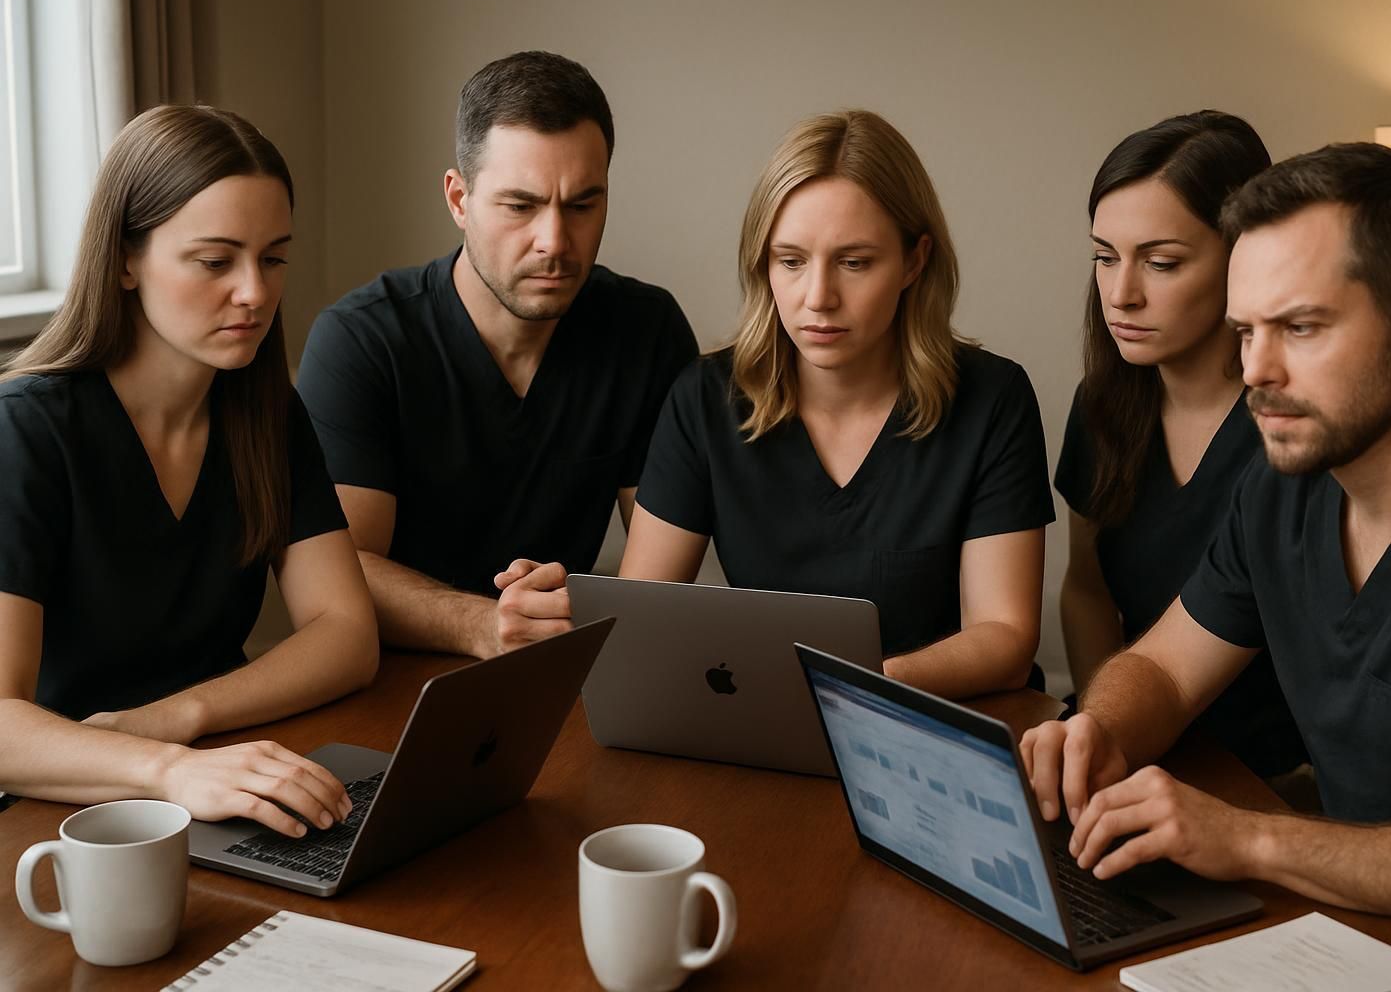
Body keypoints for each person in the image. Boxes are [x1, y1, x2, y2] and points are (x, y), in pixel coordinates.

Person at [1020, 142, 1391, 990]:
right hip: (1354, 940)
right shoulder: (1279, 487)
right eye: (1245, 332)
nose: (1256, 373)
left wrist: (1247, 837)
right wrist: (1099, 733)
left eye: (1300, 328)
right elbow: (1164, 667)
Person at [0, 105, 377, 838]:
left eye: (272, 258)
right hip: (68, 816)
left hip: (219, 776)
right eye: (215, 261)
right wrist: (166, 765)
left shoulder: (267, 413)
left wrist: (181, 716)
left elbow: (346, 634)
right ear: (125, 260)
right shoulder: (25, 431)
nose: (255, 292)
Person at [619, 109, 1054, 700]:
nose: (818, 297)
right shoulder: (704, 399)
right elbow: (642, 618)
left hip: (933, 722)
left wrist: (849, 687)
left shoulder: (992, 400)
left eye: (855, 263)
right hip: (769, 714)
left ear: (915, 261)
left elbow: (1004, 639)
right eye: (791, 261)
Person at [296, 51, 697, 659]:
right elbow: (341, 573)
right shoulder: (362, 340)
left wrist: (569, 613)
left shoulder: (646, 331)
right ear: (459, 199)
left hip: (562, 665)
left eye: (583, 205)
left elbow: (654, 579)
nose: (555, 242)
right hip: (386, 676)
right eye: (521, 205)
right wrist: (482, 624)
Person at [1055, 110, 1305, 778]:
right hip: (1135, 748)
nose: (1121, 294)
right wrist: (1100, 732)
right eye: (1105, 258)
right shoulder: (1102, 405)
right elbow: (1085, 590)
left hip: (1276, 776)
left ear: (1241, 255)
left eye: (1161, 263)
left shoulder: (1299, 425)